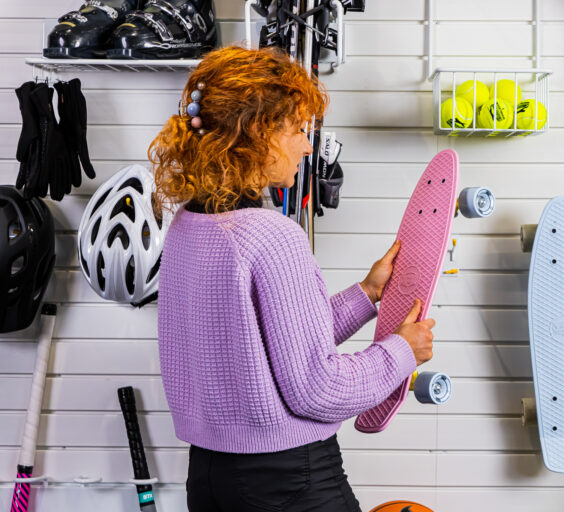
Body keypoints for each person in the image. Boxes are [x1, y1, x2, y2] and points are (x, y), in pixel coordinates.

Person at [150, 45, 436, 512]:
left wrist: (367, 294)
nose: (307, 146)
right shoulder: (271, 234)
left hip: (209, 478)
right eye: (300, 130)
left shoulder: (187, 225)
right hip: (288, 484)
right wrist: (403, 351)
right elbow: (317, 389)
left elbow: (268, 341)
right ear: (260, 133)